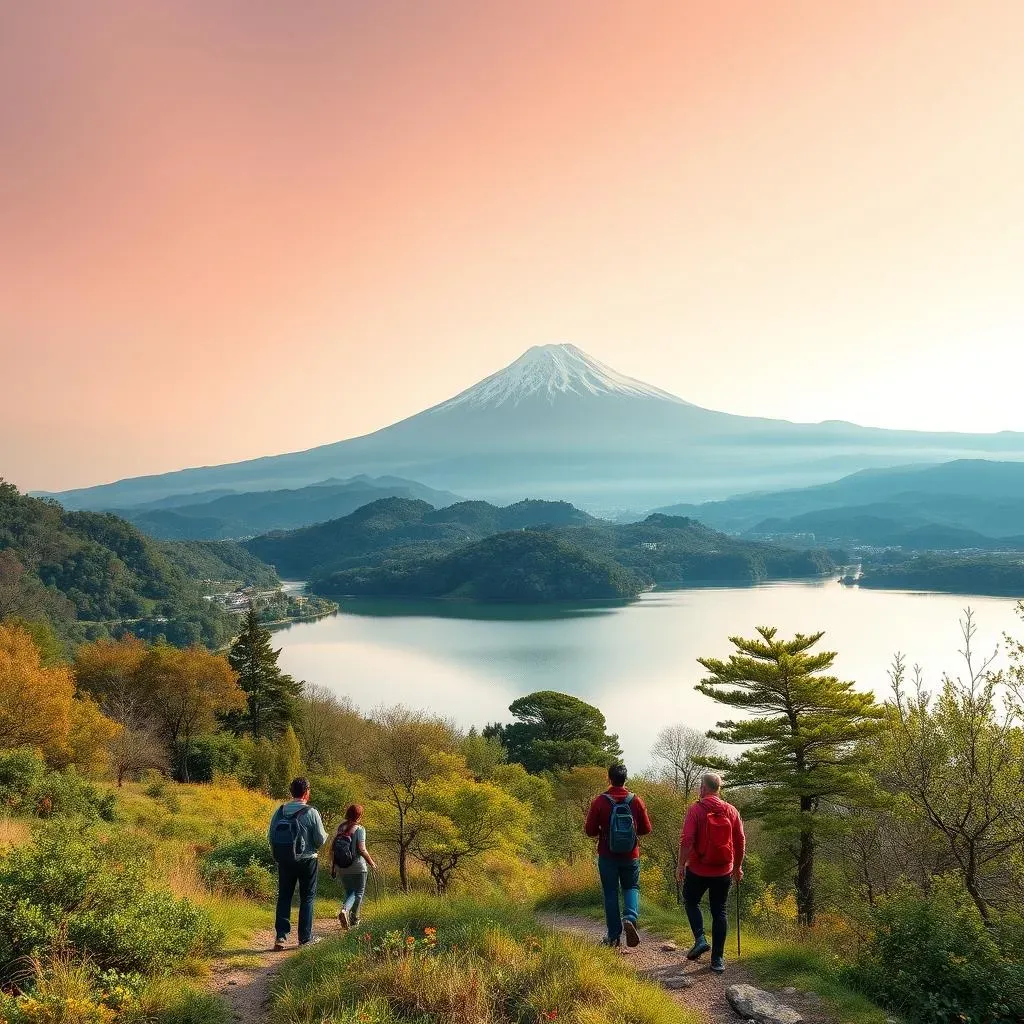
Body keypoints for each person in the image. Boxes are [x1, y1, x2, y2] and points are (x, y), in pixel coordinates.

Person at [676, 772, 745, 974]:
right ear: (719, 789)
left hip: (698, 869)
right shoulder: (731, 811)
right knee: (719, 910)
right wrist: (738, 866)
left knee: (691, 901)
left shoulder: (696, 810)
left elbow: (687, 840)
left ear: (703, 789)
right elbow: (740, 841)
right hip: (724, 870)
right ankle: (717, 960)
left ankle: (700, 939)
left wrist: (681, 864)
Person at [584, 763, 653, 948]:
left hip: (607, 855)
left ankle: (613, 936)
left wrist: (602, 830)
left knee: (610, 892)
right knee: (631, 887)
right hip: (631, 854)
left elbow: (589, 830)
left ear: (609, 779)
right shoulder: (636, 800)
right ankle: (630, 917)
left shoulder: (599, 801)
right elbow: (647, 829)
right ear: (625, 779)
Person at [268, 777, 328, 950]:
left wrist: (277, 856)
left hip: (285, 860)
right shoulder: (312, 812)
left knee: (284, 896)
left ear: (291, 792)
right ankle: (305, 938)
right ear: (307, 791)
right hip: (308, 860)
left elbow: (271, 837)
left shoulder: (280, 811)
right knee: (307, 897)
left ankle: (281, 937)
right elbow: (319, 839)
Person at [331, 803, 377, 929]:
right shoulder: (360, 829)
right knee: (358, 893)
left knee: (349, 892)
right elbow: (362, 849)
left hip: (342, 866)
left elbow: (334, 849)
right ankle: (352, 918)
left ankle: (346, 912)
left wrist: (334, 866)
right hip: (357, 866)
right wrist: (371, 862)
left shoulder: (341, 827)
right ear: (359, 815)